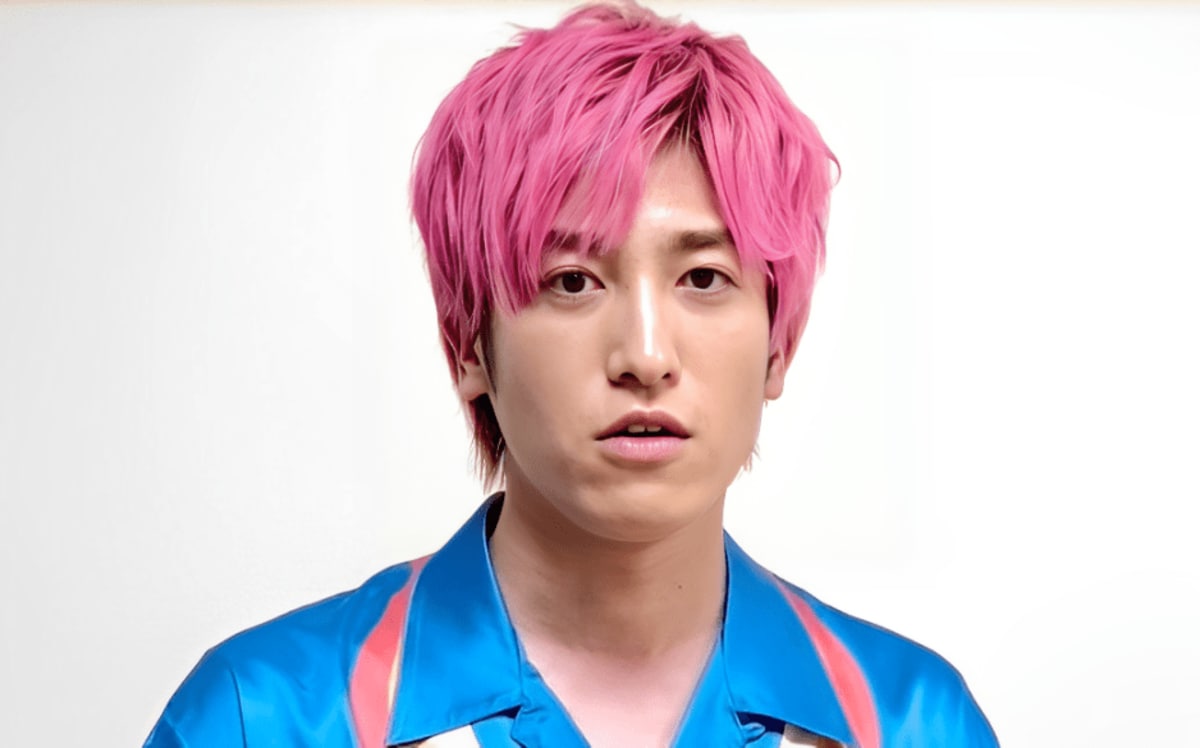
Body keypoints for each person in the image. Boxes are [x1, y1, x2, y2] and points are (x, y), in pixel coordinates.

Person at [145, 3, 998, 746]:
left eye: (704, 277)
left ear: (779, 342)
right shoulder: (265, 718)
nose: (646, 356)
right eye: (572, 281)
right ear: (469, 344)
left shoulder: (910, 721)